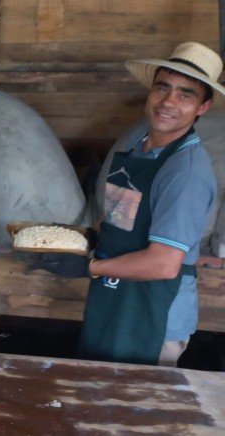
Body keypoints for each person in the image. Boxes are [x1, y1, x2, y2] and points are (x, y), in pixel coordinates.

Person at [29, 42, 222, 366]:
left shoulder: (185, 173)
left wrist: (87, 267)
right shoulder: (138, 146)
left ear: (202, 107)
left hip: (153, 313)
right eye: (163, 87)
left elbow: (163, 264)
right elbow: (119, 215)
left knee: (134, 406)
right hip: (116, 295)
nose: (168, 102)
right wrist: (80, 240)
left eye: (185, 94)